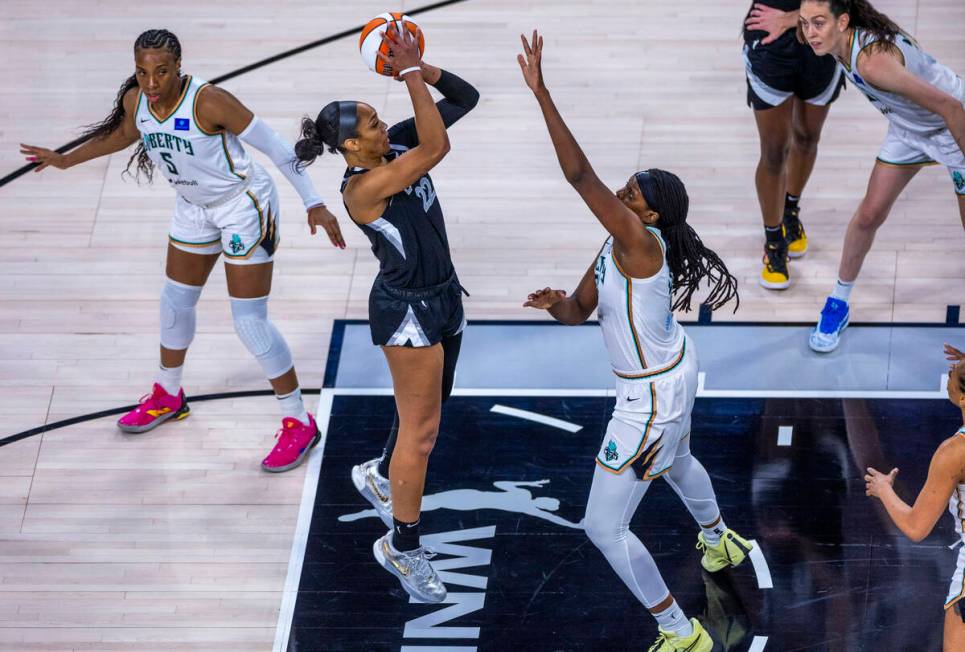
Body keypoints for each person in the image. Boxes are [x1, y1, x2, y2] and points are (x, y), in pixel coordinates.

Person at [517, 30, 753, 652]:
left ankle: (681, 631)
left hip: (649, 397)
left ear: (649, 217)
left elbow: (577, 174)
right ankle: (720, 537)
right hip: (671, 369)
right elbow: (578, 313)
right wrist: (555, 307)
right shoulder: (616, 244)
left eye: (630, 197)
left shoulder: (641, 244)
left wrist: (543, 94)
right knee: (676, 462)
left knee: (603, 527)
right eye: (624, 189)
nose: (619, 197)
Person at [19, 29, 345, 472]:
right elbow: (122, 136)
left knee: (249, 322)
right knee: (174, 303)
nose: (151, 82)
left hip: (243, 207)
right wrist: (64, 160)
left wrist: (315, 203)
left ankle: (299, 420)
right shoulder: (138, 101)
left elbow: (277, 150)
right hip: (194, 207)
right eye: (142, 71)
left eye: (161, 72)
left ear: (178, 67)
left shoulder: (209, 102)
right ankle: (168, 394)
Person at [293, 25, 478, 604]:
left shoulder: (393, 146)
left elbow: (465, 100)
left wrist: (421, 66)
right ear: (350, 146)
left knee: (424, 414)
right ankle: (402, 545)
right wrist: (410, 72)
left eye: (378, 118)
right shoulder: (363, 188)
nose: (381, 124)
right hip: (407, 313)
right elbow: (437, 148)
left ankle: (379, 473)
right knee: (421, 437)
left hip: (444, 293)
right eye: (371, 122)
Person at [799, 0, 965, 352]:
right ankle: (839, 303)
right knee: (869, 215)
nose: (809, 33)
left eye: (817, 23)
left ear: (843, 21)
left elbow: (952, 106)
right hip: (909, 130)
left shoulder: (871, 62)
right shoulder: (833, 41)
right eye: (804, 23)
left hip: (953, 127)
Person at [865, 350, 965, 651]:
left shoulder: (954, 453)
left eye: (957, 373)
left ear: (963, 399)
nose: (951, 371)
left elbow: (916, 527)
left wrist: (883, 490)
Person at [743, 1, 845, 290]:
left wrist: (794, 18)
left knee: (807, 137)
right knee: (774, 152)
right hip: (772, 38)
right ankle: (774, 242)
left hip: (822, 33)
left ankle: (789, 211)